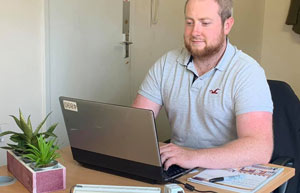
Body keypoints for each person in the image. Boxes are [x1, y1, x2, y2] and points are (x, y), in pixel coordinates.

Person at [132, 0, 273, 170]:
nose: (195, 32)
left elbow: (259, 149)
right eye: (189, 22)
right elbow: (135, 125)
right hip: (178, 169)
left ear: (227, 25)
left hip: (227, 173)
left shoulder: (247, 72)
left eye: (205, 23)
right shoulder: (166, 64)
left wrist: (193, 157)